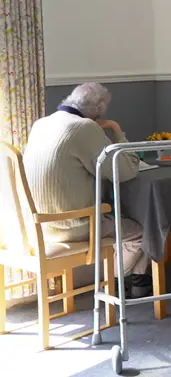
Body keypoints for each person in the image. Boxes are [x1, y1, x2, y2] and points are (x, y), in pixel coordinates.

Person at [23, 83, 150, 295]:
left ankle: (138, 284)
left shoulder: (41, 124)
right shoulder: (84, 127)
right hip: (72, 226)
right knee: (141, 231)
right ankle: (116, 282)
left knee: (118, 220)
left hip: (38, 225)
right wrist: (116, 130)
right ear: (98, 110)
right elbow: (126, 171)